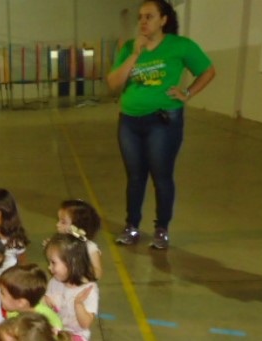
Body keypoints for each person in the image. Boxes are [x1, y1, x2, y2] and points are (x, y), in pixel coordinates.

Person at [107, 0, 215, 249]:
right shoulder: (131, 48)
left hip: (163, 122)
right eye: (140, 17)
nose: (143, 22)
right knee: (135, 177)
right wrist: (135, 53)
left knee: (161, 175)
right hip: (129, 122)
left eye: (149, 16)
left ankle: (161, 229)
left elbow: (208, 71)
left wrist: (187, 93)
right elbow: (113, 83)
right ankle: (132, 226)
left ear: (164, 20)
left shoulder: (180, 45)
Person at [44, 233, 99, 341]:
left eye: (53, 263)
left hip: (75, 334)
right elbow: (48, 308)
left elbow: (85, 324)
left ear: (71, 263)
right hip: (54, 329)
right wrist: (45, 301)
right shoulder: (55, 281)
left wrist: (78, 304)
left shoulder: (89, 289)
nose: (49, 267)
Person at [55, 199, 103, 280]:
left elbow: (97, 273)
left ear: (77, 226)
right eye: (58, 220)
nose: (57, 224)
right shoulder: (60, 243)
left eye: (63, 222)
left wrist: (81, 277)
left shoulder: (89, 247)